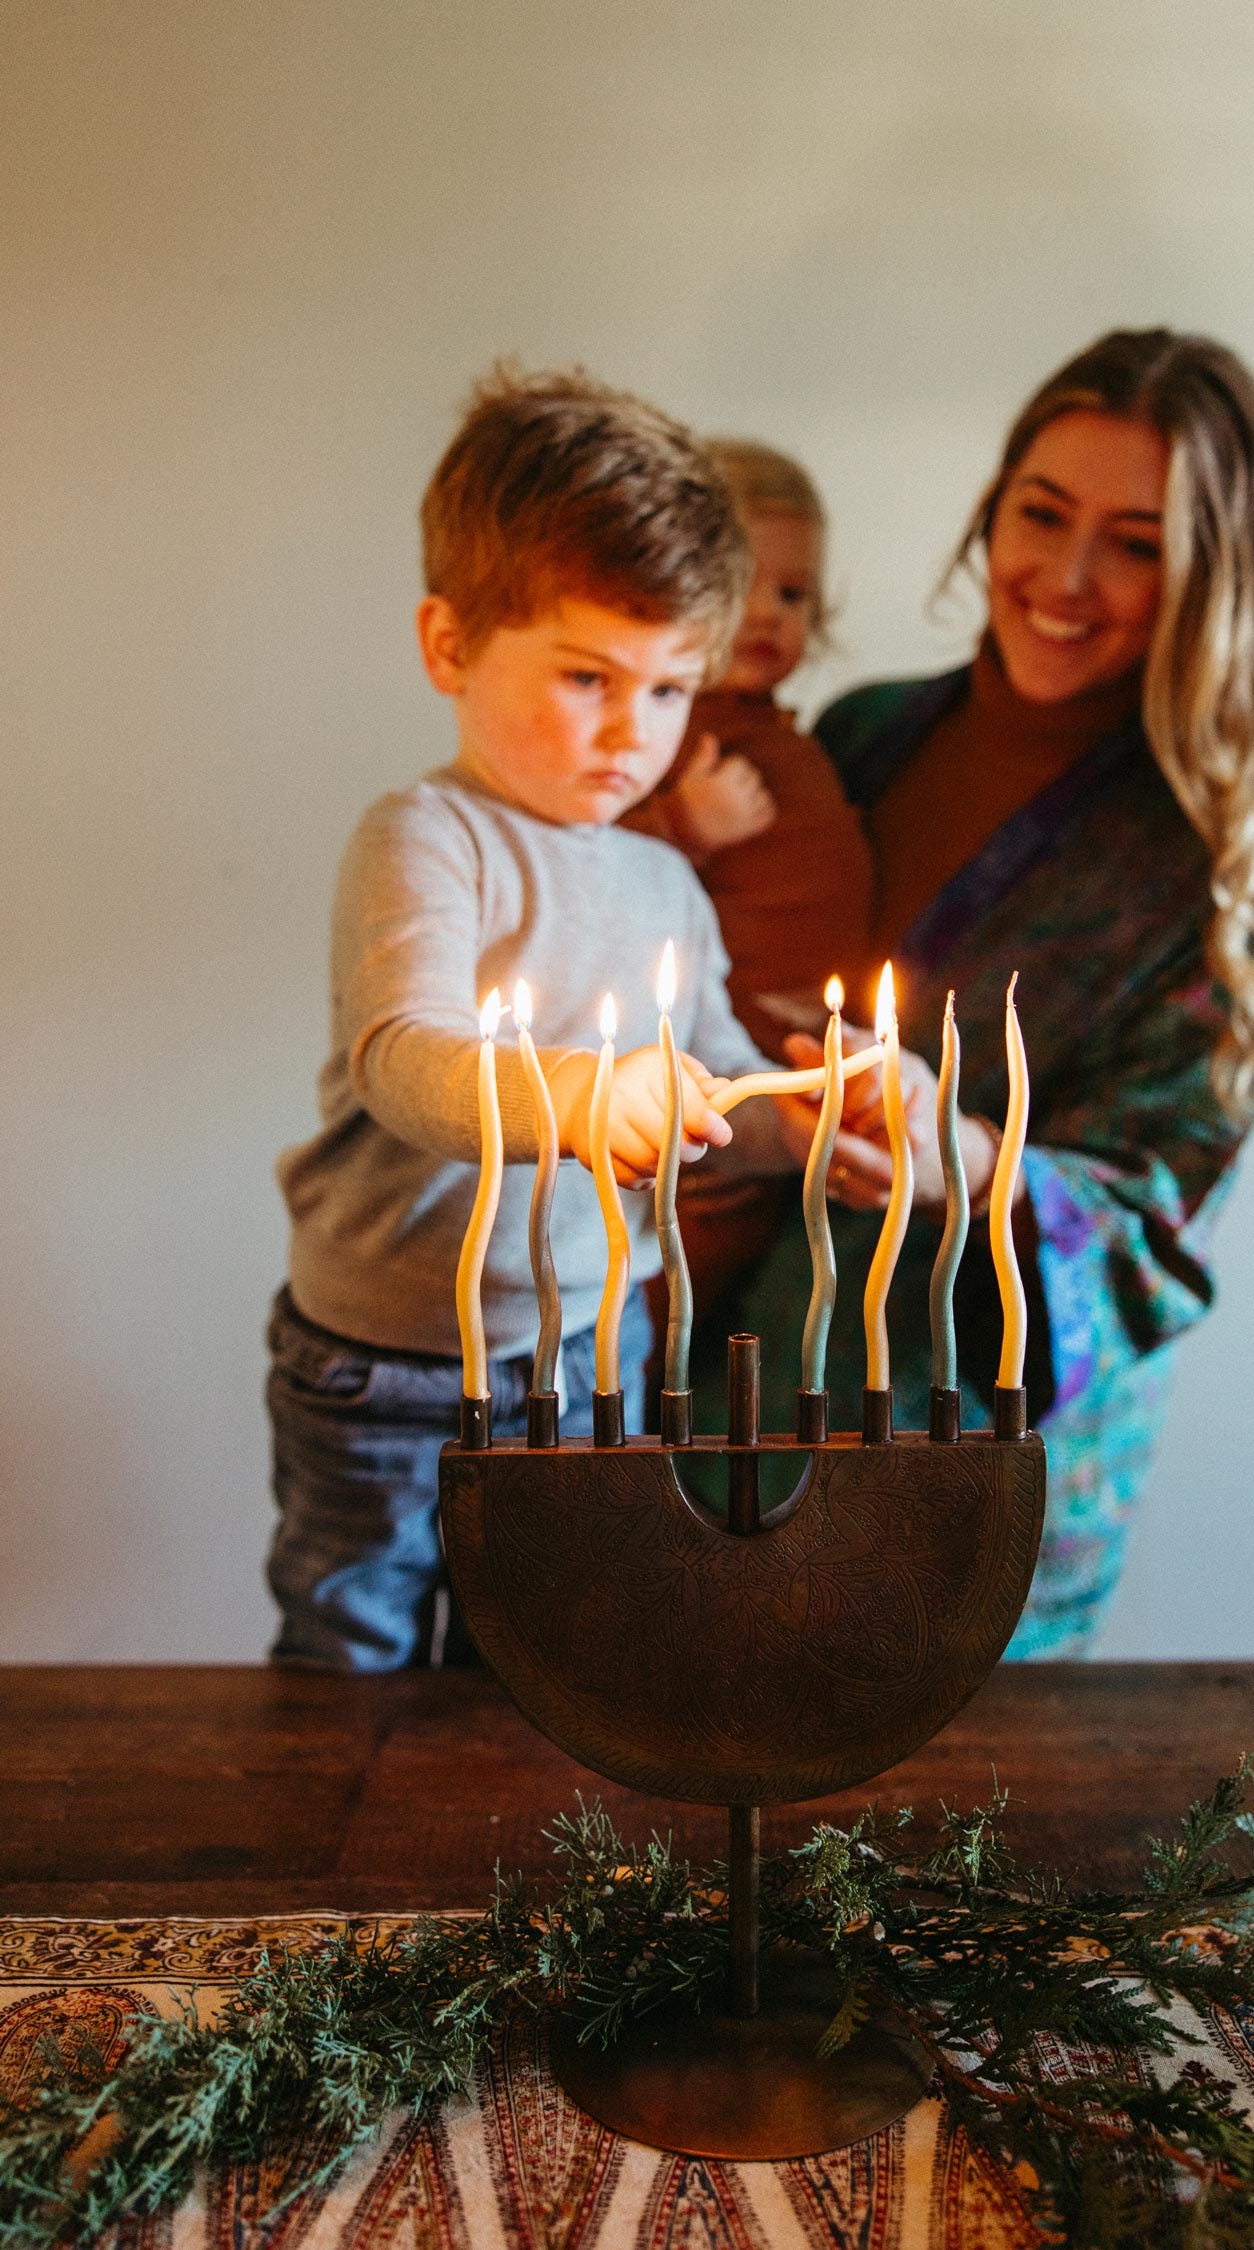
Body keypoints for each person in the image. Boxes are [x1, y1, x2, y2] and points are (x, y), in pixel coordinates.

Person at [714, 328, 1254, 1657]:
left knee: (951, 1849)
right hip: (746, 1386)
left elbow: (1153, 1225)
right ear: (992, 509)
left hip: (980, 1473)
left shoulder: (1214, 853)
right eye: (1041, 514)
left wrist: (960, 1154)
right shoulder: (862, 736)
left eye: (1136, 541)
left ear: (1210, 571)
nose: (1065, 579)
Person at [266, 366, 798, 1671]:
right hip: (389, 1360)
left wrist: (815, 1121)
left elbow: (712, 1076)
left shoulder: (667, 882)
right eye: (587, 675)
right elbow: (406, 1057)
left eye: (672, 689)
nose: (635, 730)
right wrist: (570, 1096)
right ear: (449, 644)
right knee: (352, 1652)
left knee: (553, 1666)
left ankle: (503, 1878)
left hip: (586, 1355)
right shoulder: (427, 836)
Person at [624, 441, 875, 1324]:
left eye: (794, 594)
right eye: (741, 588)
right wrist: (680, 828)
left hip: (792, 1083)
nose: (767, 615)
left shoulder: (780, 730)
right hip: (717, 1093)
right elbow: (593, 872)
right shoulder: (666, 732)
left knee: (758, 1305)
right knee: (674, 1293)